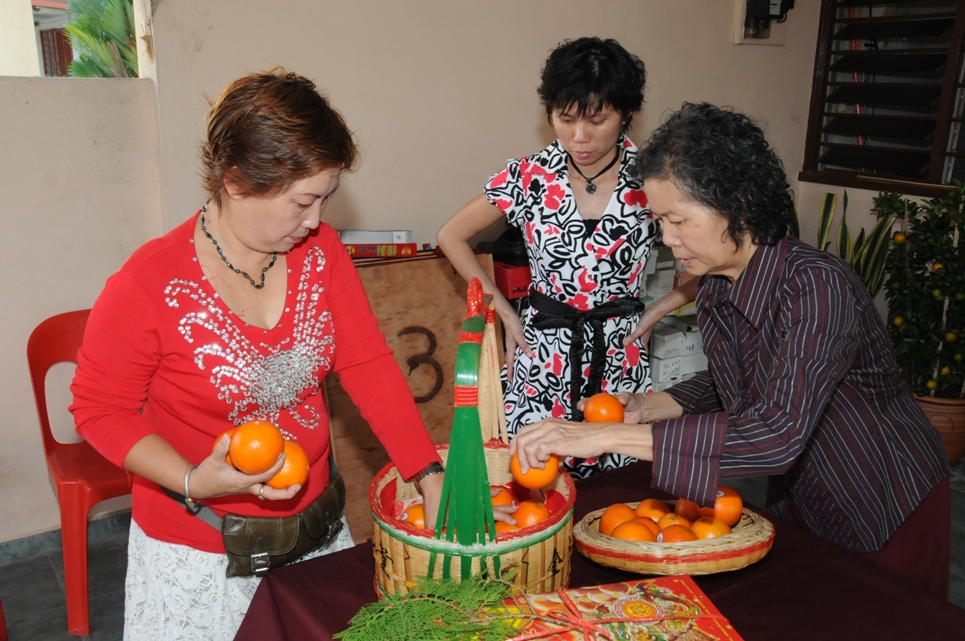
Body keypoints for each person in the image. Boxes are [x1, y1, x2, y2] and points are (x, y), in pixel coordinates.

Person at [511, 102, 951, 597]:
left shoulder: (817, 288)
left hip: (881, 496)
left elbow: (777, 433)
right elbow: (737, 379)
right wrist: (651, 407)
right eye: (659, 221)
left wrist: (603, 437)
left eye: (677, 219)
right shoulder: (717, 279)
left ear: (736, 204)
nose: (667, 238)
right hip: (805, 497)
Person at [69, 69, 445, 640]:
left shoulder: (321, 255)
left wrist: (426, 470)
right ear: (237, 180)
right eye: (302, 202)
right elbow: (99, 409)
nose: (316, 221)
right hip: (202, 551)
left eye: (325, 198)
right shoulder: (146, 283)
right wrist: (195, 480)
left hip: (315, 532)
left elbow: (366, 363)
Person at [437, 37, 695, 480]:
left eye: (597, 120)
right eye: (565, 118)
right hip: (542, 350)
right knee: (536, 480)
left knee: (617, 487)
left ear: (625, 114)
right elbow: (451, 236)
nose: (579, 136)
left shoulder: (654, 177)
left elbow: (701, 259)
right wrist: (503, 312)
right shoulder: (528, 176)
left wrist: (656, 311)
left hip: (619, 351)